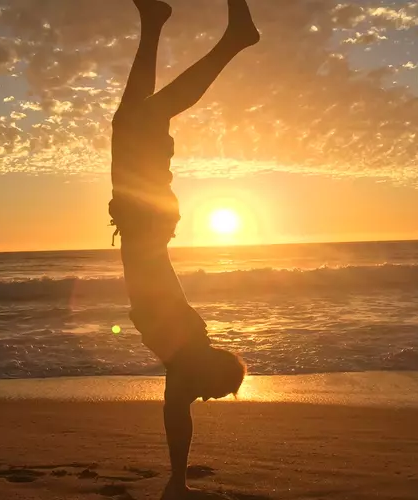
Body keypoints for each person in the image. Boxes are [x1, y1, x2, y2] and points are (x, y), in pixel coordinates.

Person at [108, 0, 259, 497]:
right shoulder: (187, 341)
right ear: (205, 365)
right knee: (146, 116)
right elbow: (183, 401)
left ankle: (153, 22)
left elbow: (178, 421)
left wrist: (178, 478)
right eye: (204, 390)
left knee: (129, 119)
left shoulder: (182, 365)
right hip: (146, 222)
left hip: (144, 220)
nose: (194, 396)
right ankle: (232, 42)